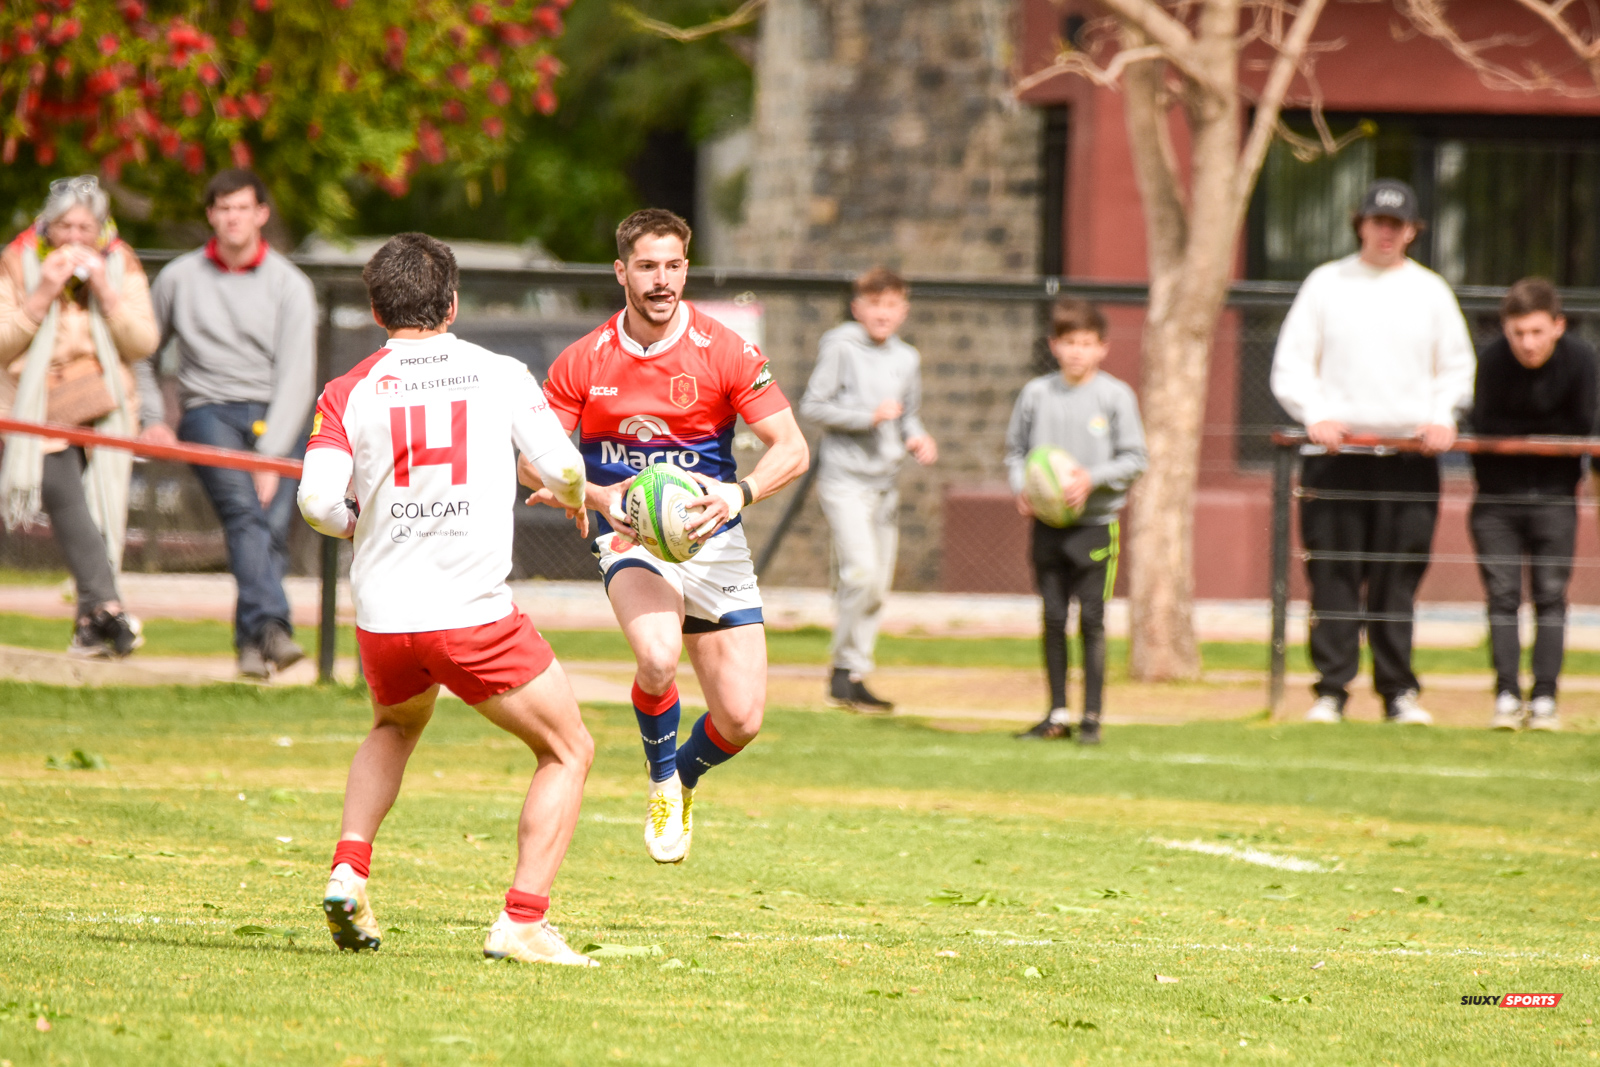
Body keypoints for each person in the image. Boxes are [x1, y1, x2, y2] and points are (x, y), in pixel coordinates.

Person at [297, 233, 598, 967]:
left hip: (385, 620)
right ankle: (522, 920)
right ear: (454, 303)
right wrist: (570, 494)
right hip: (471, 616)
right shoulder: (497, 372)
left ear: (375, 309)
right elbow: (561, 461)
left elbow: (313, 501)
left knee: (394, 725)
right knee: (568, 747)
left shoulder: (349, 389)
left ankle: (348, 871)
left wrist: (351, 521)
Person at [525, 208, 809, 866]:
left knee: (741, 719)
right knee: (656, 656)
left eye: (673, 265)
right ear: (621, 271)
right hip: (630, 537)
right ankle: (659, 783)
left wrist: (740, 492)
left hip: (714, 537)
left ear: (686, 267)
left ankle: (683, 773)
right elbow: (527, 454)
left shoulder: (727, 350)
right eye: (647, 266)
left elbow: (791, 447)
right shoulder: (584, 359)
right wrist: (592, 495)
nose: (662, 280)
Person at [1270, 178, 1475, 726]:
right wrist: (1314, 414)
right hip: (1336, 460)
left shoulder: (1431, 292)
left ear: (1412, 231)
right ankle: (1331, 691)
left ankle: (1398, 692)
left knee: (1397, 578)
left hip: (1408, 461)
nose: (1386, 233)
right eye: (1377, 222)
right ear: (1359, 223)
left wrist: (1441, 415)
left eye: (1397, 224)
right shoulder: (1325, 285)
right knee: (1334, 576)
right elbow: (1291, 365)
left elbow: (1456, 367)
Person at [149, 169, 316, 680]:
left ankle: (251, 646)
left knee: (270, 529)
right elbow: (140, 355)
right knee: (245, 514)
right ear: (210, 216)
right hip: (208, 412)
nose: (232, 218)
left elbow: (296, 376)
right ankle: (273, 628)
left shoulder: (292, 284)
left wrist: (271, 456)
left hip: (275, 416)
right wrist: (153, 418)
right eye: (222, 209)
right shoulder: (177, 278)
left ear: (261, 214)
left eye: (242, 207)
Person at [0, 175, 159, 658]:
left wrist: (108, 296)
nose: (74, 238)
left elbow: (143, 343)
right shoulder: (17, 261)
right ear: (47, 227)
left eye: (85, 228)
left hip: (105, 407)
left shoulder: (121, 263)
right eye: (65, 227)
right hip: (36, 405)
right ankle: (108, 605)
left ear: (101, 228)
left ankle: (91, 625)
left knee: (99, 509)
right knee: (63, 494)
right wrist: (41, 295)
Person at [1005, 299, 1146, 745]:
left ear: (1102, 348)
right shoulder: (1036, 394)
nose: (1077, 352)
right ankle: (1056, 713)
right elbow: (1015, 452)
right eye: (1069, 343)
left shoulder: (1115, 395)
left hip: (1096, 525)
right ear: (1054, 345)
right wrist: (1023, 486)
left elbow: (1135, 458)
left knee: (1092, 619)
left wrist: (1091, 478)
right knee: (1051, 617)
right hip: (1048, 526)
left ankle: (1092, 717)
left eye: (1086, 343)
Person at [799, 267, 937, 712]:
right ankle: (841, 671)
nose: (883, 313)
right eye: (874, 304)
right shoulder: (840, 345)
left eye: (892, 305)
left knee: (876, 585)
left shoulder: (907, 358)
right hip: (844, 480)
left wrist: (917, 437)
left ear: (904, 310)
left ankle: (853, 674)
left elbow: (907, 414)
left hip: (885, 485)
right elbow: (814, 405)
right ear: (859, 309)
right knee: (859, 572)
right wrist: (867, 416)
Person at [1468, 278, 1596, 732]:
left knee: (1551, 599)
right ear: (1505, 329)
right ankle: (1505, 695)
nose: (1527, 343)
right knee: (1502, 599)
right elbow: (1483, 423)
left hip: (1557, 499)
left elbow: (1584, 425)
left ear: (1558, 326)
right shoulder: (1491, 359)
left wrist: (1525, 434)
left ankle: (1544, 699)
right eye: (1518, 332)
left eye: (1537, 332)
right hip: (1495, 501)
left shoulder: (1581, 360)